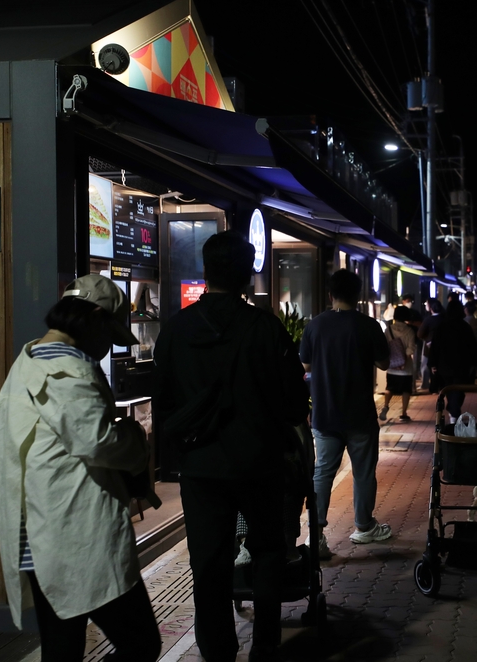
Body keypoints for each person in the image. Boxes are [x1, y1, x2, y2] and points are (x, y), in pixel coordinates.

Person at [153, 231, 309, 662]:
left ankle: (217, 649)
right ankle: (265, 644)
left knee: (207, 561)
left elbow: (162, 401)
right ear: (247, 273)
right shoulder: (265, 328)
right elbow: (295, 403)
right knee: (267, 551)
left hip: (201, 466)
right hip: (259, 461)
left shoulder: (177, 329)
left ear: (206, 271)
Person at [0, 274, 161, 662]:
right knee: (141, 644)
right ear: (97, 318)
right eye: (112, 334)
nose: (108, 346)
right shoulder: (68, 367)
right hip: (78, 535)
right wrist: (137, 442)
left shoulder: (29, 358)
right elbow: (96, 441)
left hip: (39, 531)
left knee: (62, 649)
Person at [301, 269, 393, 559]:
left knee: (322, 474)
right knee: (363, 473)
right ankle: (364, 526)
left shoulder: (315, 326)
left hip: (325, 414)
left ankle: (315, 537)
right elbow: (384, 363)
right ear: (358, 295)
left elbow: (304, 367)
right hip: (360, 415)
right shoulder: (368, 326)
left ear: (331, 295)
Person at [427, 298, 477, 420]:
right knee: (459, 391)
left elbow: (435, 347)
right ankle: (454, 412)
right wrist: (475, 363)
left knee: (449, 389)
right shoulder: (465, 327)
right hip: (462, 365)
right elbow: (472, 347)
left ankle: (453, 412)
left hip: (444, 365)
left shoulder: (441, 326)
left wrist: (432, 363)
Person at [379, 305, 417, 422]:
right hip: (406, 367)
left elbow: (385, 346)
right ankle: (404, 413)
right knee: (406, 390)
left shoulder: (388, 329)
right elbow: (411, 348)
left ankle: (385, 406)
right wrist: (404, 358)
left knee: (390, 387)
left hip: (392, 365)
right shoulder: (409, 330)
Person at [417, 298, 444, 392]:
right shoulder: (444, 318)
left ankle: (425, 384)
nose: (425, 306)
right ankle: (440, 385)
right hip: (442, 346)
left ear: (431, 307)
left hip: (429, 346)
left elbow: (420, 334)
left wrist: (427, 340)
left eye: (427, 304)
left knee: (425, 364)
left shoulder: (428, 319)